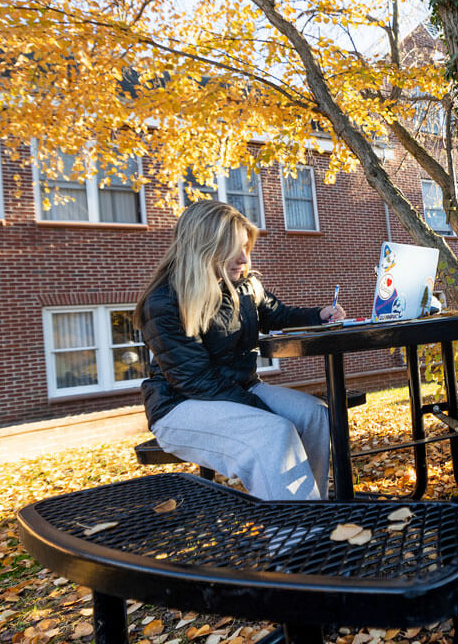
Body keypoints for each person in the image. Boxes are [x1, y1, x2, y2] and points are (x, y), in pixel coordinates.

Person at [134, 199, 345, 500]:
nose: (245, 259)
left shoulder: (245, 286)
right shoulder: (166, 301)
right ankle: (298, 537)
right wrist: (264, 412)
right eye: (235, 249)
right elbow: (195, 381)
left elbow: (278, 315)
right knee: (274, 432)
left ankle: (314, 509)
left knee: (314, 415)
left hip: (238, 388)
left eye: (247, 248)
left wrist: (318, 315)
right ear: (204, 247)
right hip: (179, 406)